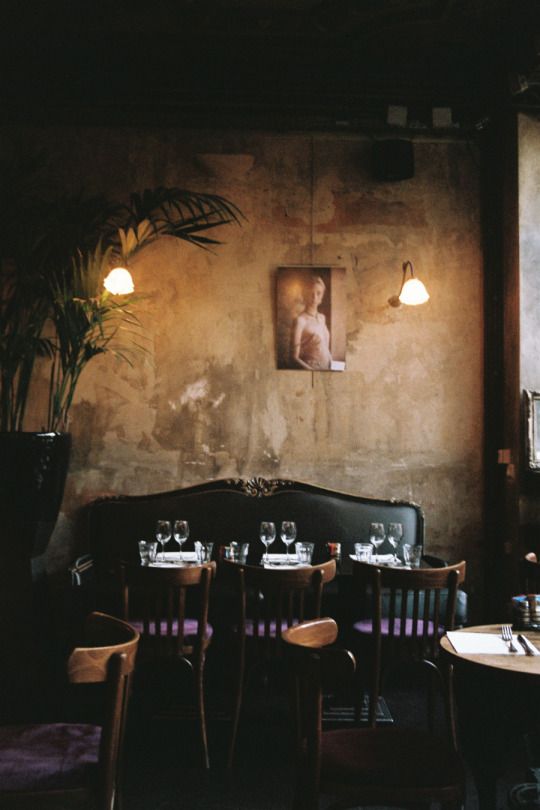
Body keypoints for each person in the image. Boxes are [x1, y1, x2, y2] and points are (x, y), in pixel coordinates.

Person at [290, 274, 332, 370]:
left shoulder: (322, 318)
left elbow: (326, 349)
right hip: (312, 369)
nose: (314, 297)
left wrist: (333, 366)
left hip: (328, 368)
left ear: (322, 297)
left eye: (318, 293)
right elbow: (294, 357)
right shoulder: (300, 320)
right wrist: (313, 373)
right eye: (311, 293)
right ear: (305, 294)